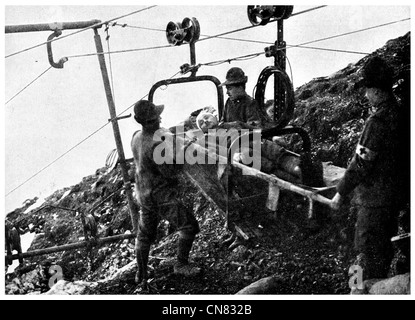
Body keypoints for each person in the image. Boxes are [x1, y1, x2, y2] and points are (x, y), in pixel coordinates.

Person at [330, 56, 409, 282]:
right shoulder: (401, 114)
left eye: (367, 90)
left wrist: (341, 191)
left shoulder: (377, 122)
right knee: (383, 250)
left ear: (376, 91)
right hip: (393, 198)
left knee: (363, 253)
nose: (365, 95)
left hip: (373, 201)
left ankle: (359, 291)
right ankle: (379, 285)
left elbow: (361, 163)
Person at [131, 100, 201, 288]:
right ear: (151, 121)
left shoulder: (136, 137)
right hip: (159, 195)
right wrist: (184, 151)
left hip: (142, 193)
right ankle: (181, 264)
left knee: (144, 235)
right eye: (156, 118)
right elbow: (169, 172)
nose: (160, 120)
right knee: (188, 225)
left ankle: (142, 273)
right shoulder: (155, 146)